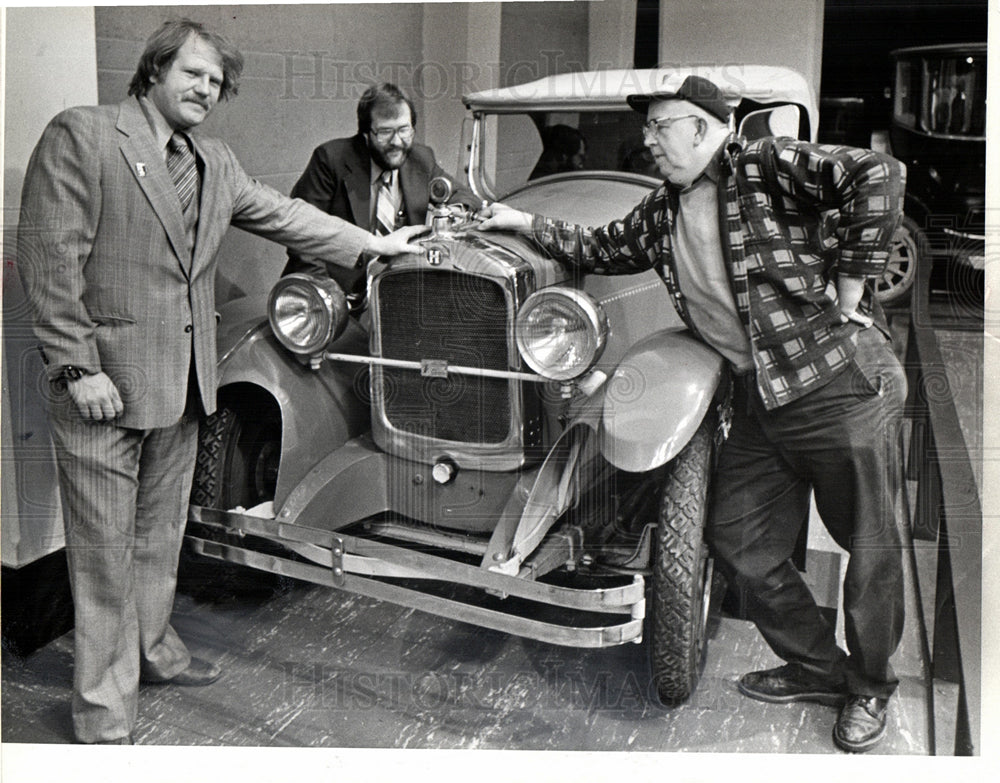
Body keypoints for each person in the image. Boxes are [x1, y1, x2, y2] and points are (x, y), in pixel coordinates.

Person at [16, 19, 428, 746]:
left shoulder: (215, 161)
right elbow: (50, 263)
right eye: (193, 74)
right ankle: (103, 708)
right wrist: (76, 368)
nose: (207, 89)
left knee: (157, 538)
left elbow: (290, 216)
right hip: (104, 387)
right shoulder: (84, 135)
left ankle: (153, 650)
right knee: (104, 553)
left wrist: (371, 244)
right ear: (152, 71)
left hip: (183, 386)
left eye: (216, 81)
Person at [475, 75, 908, 754]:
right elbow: (597, 246)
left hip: (839, 383)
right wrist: (521, 223)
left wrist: (853, 282)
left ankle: (872, 687)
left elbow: (880, 173)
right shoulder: (660, 209)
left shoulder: (764, 164)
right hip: (763, 396)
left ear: (705, 128)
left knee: (873, 548)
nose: (648, 139)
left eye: (662, 126)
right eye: (646, 128)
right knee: (735, 534)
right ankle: (824, 669)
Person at [282, 82, 477, 297]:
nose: (397, 142)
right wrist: (330, 299)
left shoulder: (421, 159)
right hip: (332, 294)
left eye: (404, 130)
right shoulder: (330, 159)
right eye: (385, 132)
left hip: (395, 292)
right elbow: (302, 235)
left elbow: (465, 196)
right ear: (366, 133)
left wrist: (457, 211)